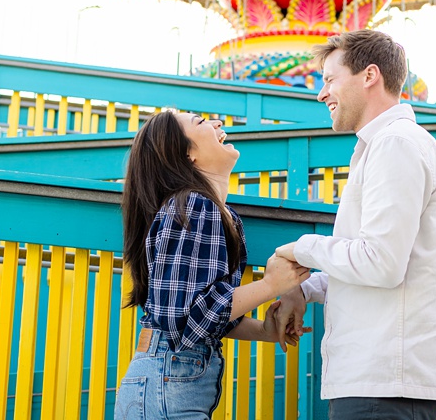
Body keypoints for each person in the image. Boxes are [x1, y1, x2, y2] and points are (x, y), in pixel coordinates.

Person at [274, 30, 436, 419]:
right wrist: (303, 290)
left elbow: (381, 263)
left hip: (385, 381)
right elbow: (377, 264)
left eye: (329, 79)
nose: (321, 94)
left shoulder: (396, 144)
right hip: (380, 379)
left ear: (369, 75)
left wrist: (298, 248)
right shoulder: (384, 145)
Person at [116, 110, 310, 419]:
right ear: (187, 154)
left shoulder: (219, 213)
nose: (218, 123)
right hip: (167, 381)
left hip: (169, 380)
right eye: (201, 122)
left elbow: (203, 318)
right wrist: (270, 285)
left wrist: (264, 330)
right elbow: (186, 317)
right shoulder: (194, 205)